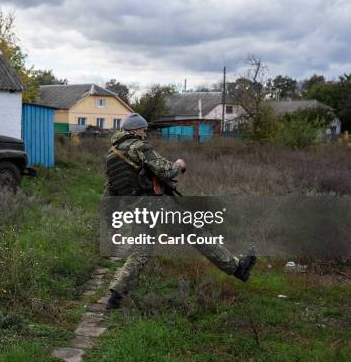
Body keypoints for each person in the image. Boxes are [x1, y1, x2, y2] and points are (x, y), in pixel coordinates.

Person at [104, 113, 256, 309]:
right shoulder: (140, 148)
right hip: (157, 206)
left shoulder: (110, 156)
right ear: (134, 130)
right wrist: (179, 164)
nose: (145, 133)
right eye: (143, 130)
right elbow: (166, 170)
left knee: (140, 253)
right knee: (197, 233)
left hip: (137, 210)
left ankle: (115, 295)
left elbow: (109, 193)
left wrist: (110, 223)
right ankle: (237, 269)